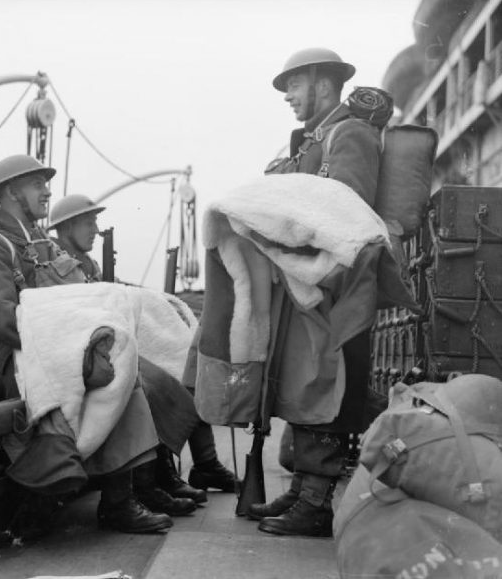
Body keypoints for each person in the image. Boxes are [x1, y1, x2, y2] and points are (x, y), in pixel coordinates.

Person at [0, 154, 173, 534]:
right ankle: (101, 499)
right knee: (111, 374)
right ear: (11, 192)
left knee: (121, 363)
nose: (46, 192)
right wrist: (75, 351)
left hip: (56, 349)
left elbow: (81, 300)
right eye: (37, 185)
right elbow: (3, 321)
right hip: (18, 358)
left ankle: (120, 499)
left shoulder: (42, 245)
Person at [246, 48, 382, 537]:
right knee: (308, 381)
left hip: (340, 288)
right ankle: (305, 489)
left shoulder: (351, 134)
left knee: (329, 383)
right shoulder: (313, 141)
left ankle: (317, 502)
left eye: (294, 85)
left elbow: (345, 212)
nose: (288, 96)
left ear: (323, 85)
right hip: (313, 285)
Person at [48, 193, 238, 503]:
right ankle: (160, 475)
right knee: (157, 385)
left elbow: (119, 291)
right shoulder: (59, 266)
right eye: (88, 222)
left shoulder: (88, 264)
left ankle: (202, 466)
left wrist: (157, 301)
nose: (95, 230)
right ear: (67, 227)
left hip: (111, 346)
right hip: (87, 355)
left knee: (185, 372)